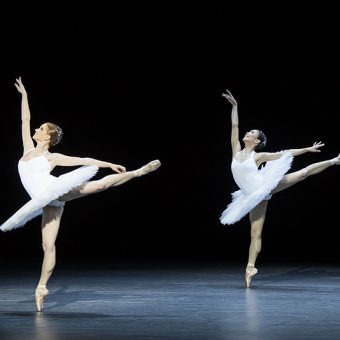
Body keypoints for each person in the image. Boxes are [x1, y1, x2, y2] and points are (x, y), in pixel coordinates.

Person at [1, 77, 161, 311]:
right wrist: (24, 95)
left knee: (99, 186)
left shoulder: (51, 157)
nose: (36, 128)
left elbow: (84, 160)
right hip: (47, 202)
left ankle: (137, 172)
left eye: (41, 128)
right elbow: (25, 119)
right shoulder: (27, 148)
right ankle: (41, 288)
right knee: (47, 245)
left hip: (54, 189)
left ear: (47, 137)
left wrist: (108, 164)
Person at [219, 89, 339, 288]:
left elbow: (284, 153)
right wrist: (235, 107)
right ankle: (250, 267)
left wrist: (307, 149)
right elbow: (234, 125)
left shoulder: (257, 156)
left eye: (251, 133)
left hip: (264, 186)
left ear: (256, 141)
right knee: (255, 233)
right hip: (250, 196)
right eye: (248, 132)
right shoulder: (236, 151)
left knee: (302, 174)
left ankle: (335, 160)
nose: (247, 133)